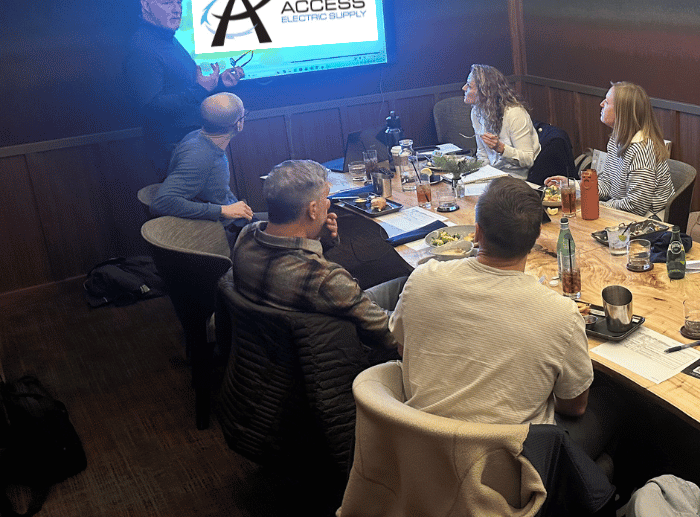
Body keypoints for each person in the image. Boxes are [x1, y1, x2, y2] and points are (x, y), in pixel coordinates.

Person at [390, 177, 603, 450]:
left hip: (420, 455)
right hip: (510, 470)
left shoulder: (422, 279)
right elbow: (574, 406)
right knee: (614, 403)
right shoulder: (562, 314)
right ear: (536, 237)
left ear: (477, 232)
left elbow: (402, 348)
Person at [230, 159, 401, 352]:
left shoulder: (245, 237)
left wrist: (318, 239)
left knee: (404, 284)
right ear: (312, 209)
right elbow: (391, 336)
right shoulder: (325, 278)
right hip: (343, 357)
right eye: (325, 198)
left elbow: (293, 262)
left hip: (268, 352)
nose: (328, 204)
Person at [125, 0, 245, 178]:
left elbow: (184, 90)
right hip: (174, 150)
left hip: (193, 144)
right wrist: (200, 90)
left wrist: (218, 84)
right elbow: (151, 107)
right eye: (167, 2)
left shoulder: (167, 39)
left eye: (179, 2)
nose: (177, 9)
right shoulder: (143, 47)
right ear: (145, 5)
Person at [151, 92, 254, 231]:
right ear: (238, 124)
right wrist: (222, 210)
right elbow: (162, 202)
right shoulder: (200, 156)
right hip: (221, 230)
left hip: (230, 218)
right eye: (244, 115)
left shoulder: (197, 136)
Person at [594, 82, 674, 218]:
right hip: (620, 211)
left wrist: (601, 206)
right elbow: (607, 184)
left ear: (621, 112)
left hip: (649, 220)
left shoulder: (642, 149)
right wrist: (573, 187)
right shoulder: (615, 139)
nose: (601, 104)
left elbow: (637, 206)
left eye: (607, 102)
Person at [464, 64, 540, 180]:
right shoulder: (476, 112)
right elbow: (482, 154)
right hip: (494, 176)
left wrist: (501, 148)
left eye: (469, 85)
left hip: (518, 178)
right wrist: (481, 176)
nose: (464, 88)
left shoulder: (515, 113)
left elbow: (528, 160)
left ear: (484, 91)